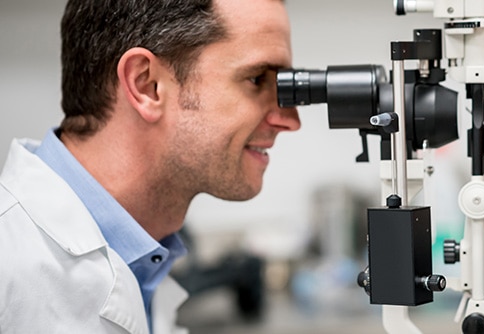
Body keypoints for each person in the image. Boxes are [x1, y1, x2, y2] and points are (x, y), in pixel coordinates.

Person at [0, 0, 300, 333]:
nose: (289, 120)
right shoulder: (8, 265)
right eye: (258, 79)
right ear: (147, 85)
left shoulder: (144, 260)